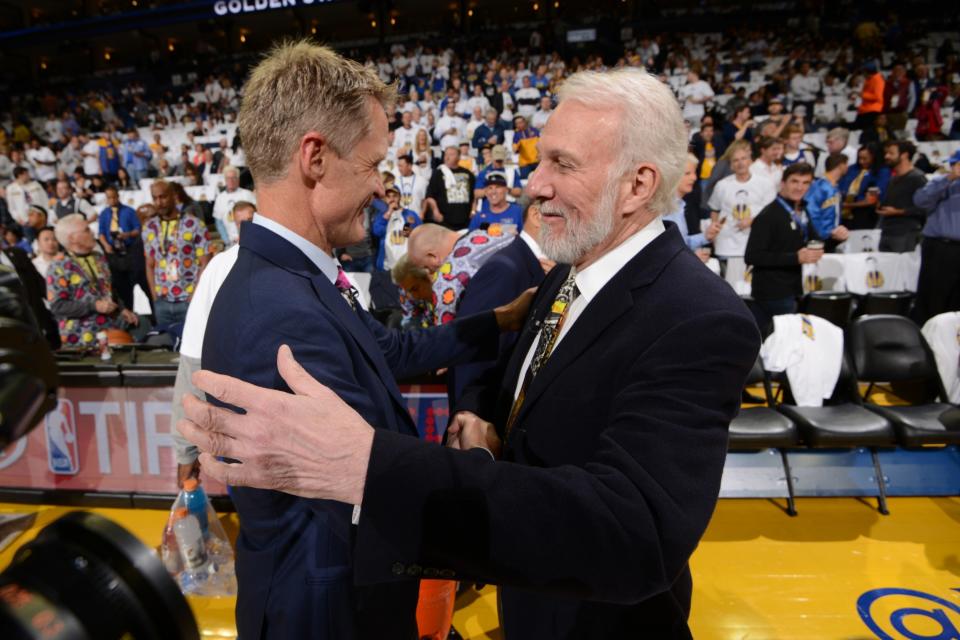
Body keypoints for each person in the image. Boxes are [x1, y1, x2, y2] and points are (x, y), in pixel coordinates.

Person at [179, 67, 761, 639]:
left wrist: (378, 465)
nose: (534, 185)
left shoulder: (700, 318)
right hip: (479, 599)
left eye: (562, 163)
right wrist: (483, 421)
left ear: (637, 185)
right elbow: (523, 399)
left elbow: (636, 535)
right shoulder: (565, 276)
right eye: (542, 160)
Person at [195, 41, 531, 640]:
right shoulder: (282, 312)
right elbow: (370, 480)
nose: (382, 188)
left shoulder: (296, 276)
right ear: (315, 157)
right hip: (332, 614)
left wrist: (498, 322)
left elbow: (389, 351)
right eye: (373, 164)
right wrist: (477, 457)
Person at [172, 200, 257, 488]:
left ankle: (189, 518)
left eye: (252, 220)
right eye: (243, 222)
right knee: (190, 446)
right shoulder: (232, 260)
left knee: (200, 443)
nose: (249, 227)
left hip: (208, 354)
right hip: (203, 355)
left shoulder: (230, 259)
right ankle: (185, 520)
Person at [449, 201, 550, 405]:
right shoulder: (505, 269)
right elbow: (474, 350)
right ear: (536, 214)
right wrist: (468, 414)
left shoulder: (536, 265)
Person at [745, 163, 822, 333]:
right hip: (772, 293)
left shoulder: (802, 211)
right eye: (795, 181)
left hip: (792, 289)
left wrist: (834, 239)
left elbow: (813, 240)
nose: (799, 187)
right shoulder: (769, 215)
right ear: (783, 183)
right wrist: (795, 258)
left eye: (805, 182)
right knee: (779, 345)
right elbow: (752, 256)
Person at [47, 214, 137, 347]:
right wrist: (93, 306)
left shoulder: (99, 258)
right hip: (80, 340)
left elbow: (110, 290)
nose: (93, 232)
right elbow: (58, 306)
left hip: (112, 333)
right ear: (73, 238)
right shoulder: (58, 267)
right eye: (86, 230)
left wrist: (122, 309)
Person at [141, 180, 211, 326]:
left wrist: (195, 295)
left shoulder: (194, 224)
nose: (159, 202)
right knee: (166, 346)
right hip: (162, 302)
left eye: (163, 197)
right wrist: (155, 296)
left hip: (188, 300)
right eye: (155, 198)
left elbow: (205, 262)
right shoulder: (149, 227)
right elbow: (149, 264)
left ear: (174, 195)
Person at [911, 150, 960, 323]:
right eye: (953, 164)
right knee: (933, 298)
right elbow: (920, 201)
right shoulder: (940, 182)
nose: (954, 167)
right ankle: (927, 339)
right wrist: (948, 179)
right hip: (941, 248)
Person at [708, 139, 777, 262]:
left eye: (744, 158)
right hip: (726, 245)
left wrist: (753, 221)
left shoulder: (765, 183)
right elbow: (715, 210)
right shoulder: (721, 185)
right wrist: (714, 230)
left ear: (750, 160)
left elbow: (772, 213)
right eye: (736, 160)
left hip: (755, 244)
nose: (740, 163)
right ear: (731, 165)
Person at [663, 153, 722, 256]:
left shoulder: (679, 204)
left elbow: (683, 242)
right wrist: (693, 257)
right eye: (687, 173)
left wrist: (705, 236)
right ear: (673, 176)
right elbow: (666, 251)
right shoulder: (664, 208)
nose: (694, 177)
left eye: (694, 172)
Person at [878, 140, 928, 252]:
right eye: (886, 153)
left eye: (891, 153)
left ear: (904, 155)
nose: (886, 156)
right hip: (887, 232)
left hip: (906, 233)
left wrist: (898, 212)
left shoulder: (917, 178)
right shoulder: (892, 179)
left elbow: (925, 208)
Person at [98, 186, 142, 310]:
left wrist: (127, 235)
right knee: (121, 287)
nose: (111, 200)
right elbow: (101, 232)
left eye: (113, 197)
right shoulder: (104, 214)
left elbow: (137, 229)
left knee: (136, 282)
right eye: (109, 198)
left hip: (129, 251)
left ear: (118, 196)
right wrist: (106, 245)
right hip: (113, 253)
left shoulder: (129, 211)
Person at [838, 145, 891, 230]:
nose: (861, 161)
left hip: (864, 213)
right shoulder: (853, 168)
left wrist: (847, 205)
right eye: (859, 158)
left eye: (865, 159)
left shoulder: (882, 172)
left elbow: (873, 199)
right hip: (844, 212)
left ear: (874, 158)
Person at [804, 153, 850, 249]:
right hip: (820, 239)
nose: (847, 167)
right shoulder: (819, 186)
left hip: (833, 236)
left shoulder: (835, 187)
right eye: (846, 164)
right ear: (840, 165)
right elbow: (811, 212)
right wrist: (821, 234)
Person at [371, 183, 422, 271]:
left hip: (407, 266)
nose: (392, 199)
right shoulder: (382, 216)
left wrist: (412, 231)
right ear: (385, 199)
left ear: (400, 197)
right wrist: (389, 212)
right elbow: (377, 232)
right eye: (389, 196)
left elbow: (422, 235)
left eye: (394, 196)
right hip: (387, 266)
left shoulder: (410, 214)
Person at [423, 146, 474, 230]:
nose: (447, 157)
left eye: (451, 154)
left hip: (465, 220)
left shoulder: (468, 174)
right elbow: (430, 195)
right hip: (445, 221)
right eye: (446, 154)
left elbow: (474, 195)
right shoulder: (438, 173)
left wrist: (473, 210)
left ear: (458, 157)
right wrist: (436, 211)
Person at [211, 165, 256, 246]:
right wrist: (226, 240)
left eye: (234, 177)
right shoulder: (220, 198)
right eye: (228, 178)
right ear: (225, 180)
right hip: (231, 242)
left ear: (238, 179)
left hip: (250, 240)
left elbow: (256, 216)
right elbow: (219, 222)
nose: (231, 180)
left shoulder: (247, 194)